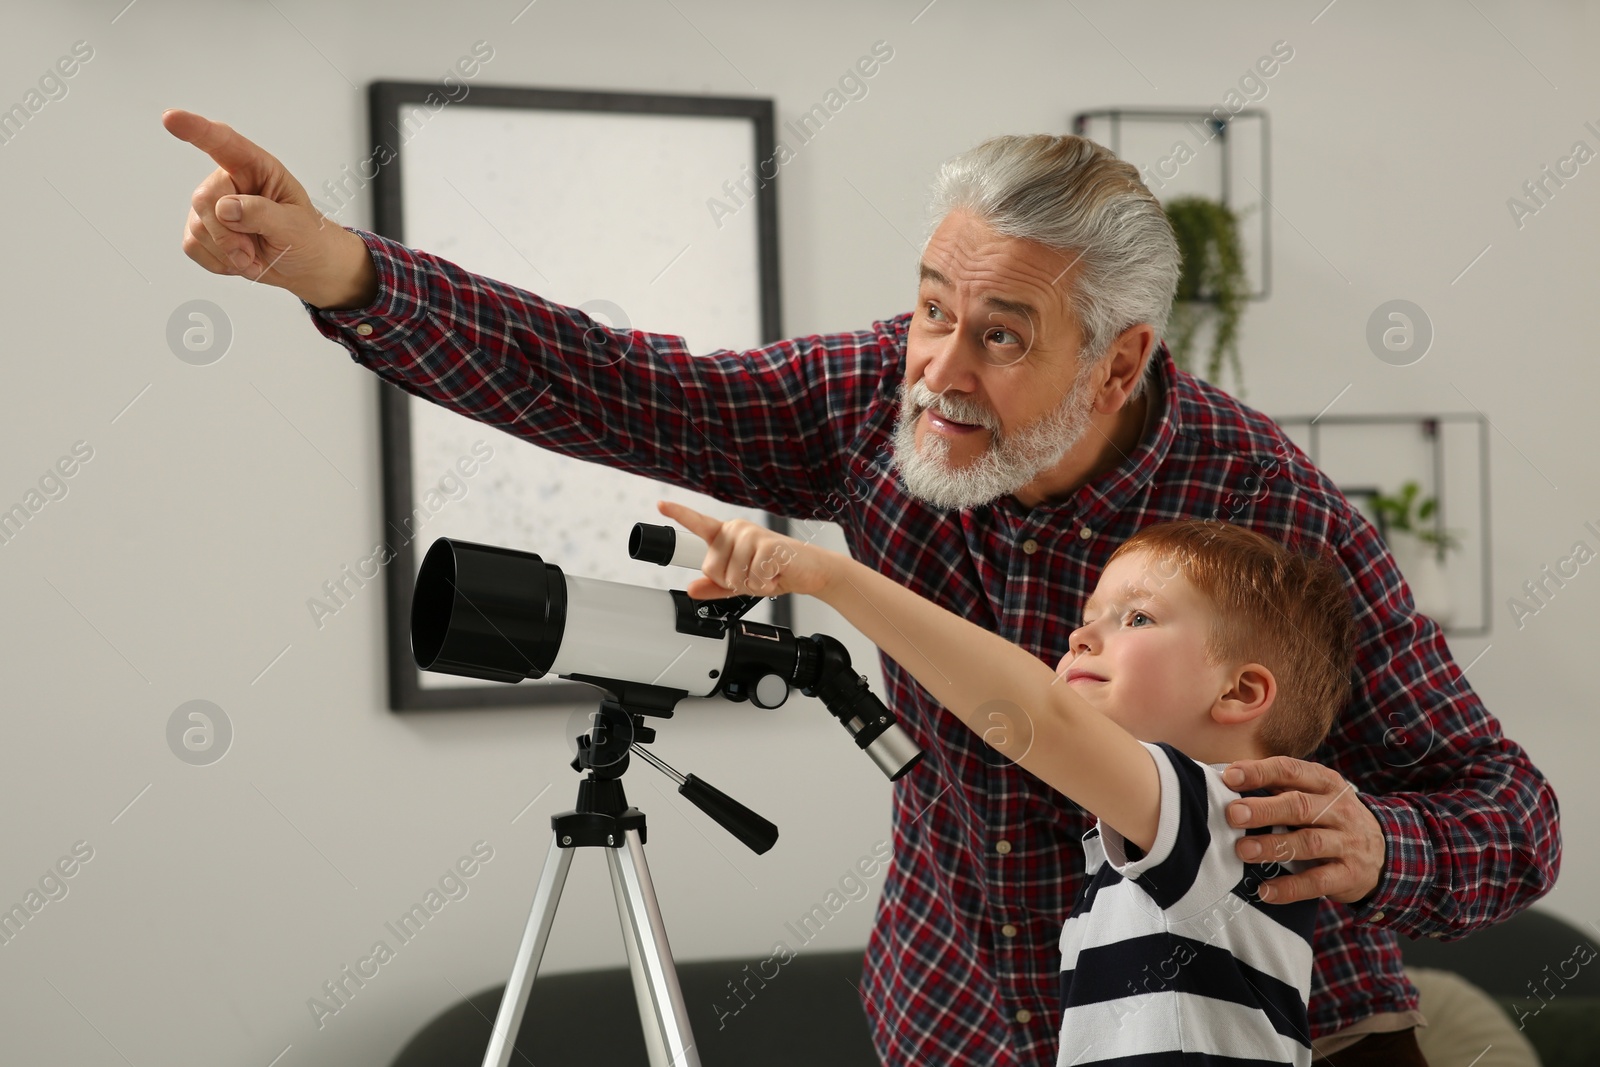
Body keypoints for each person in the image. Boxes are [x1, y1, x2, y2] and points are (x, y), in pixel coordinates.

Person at [164, 110, 1561, 1066]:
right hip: (956, 1020)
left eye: (1001, 334)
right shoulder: (867, 398)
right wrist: (339, 269)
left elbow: (1513, 812)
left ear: (1119, 364)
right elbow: (612, 381)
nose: (939, 367)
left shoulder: (1269, 508)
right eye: (933, 305)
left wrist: (1389, 846)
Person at [658, 504, 1353, 1065]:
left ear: (1240, 692)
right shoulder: (1145, 852)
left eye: (1136, 617)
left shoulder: (1230, 823)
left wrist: (830, 578)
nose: (1081, 637)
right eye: (1089, 618)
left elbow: (1034, 715)